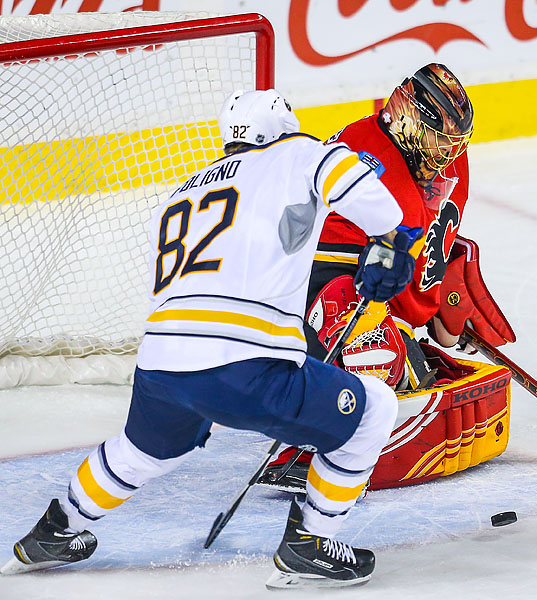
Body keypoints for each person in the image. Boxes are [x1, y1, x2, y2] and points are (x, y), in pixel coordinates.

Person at [1, 89, 419, 589]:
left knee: (143, 450)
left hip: (160, 362)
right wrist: (390, 239)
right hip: (244, 364)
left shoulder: (185, 189)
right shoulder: (296, 152)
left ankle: (58, 527)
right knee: (374, 407)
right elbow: (348, 176)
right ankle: (312, 541)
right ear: (283, 129)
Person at [258, 63, 515, 489]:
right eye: (438, 140)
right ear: (410, 123)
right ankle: (320, 433)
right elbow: (334, 274)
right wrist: (413, 315)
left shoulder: (447, 161)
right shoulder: (366, 160)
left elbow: (428, 241)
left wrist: (445, 282)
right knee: (371, 349)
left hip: (366, 280)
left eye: (453, 144)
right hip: (298, 288)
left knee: (393, 353)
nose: (446, 154)